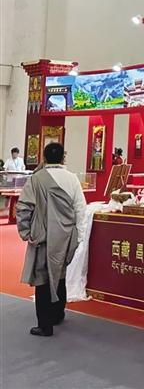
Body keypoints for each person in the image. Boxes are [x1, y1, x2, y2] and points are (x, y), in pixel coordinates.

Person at [16, 143, 86, 337]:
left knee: (42, 278)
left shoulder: (37, 179)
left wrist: (26, 232)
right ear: (63, 158)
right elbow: (80, 209)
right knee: (60, 274)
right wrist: (79, 235)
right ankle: (58, 314)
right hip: (66, 236)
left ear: (44, 158)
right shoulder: (72, 179)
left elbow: (23, 207)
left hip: (43, 236)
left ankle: (45, 325)